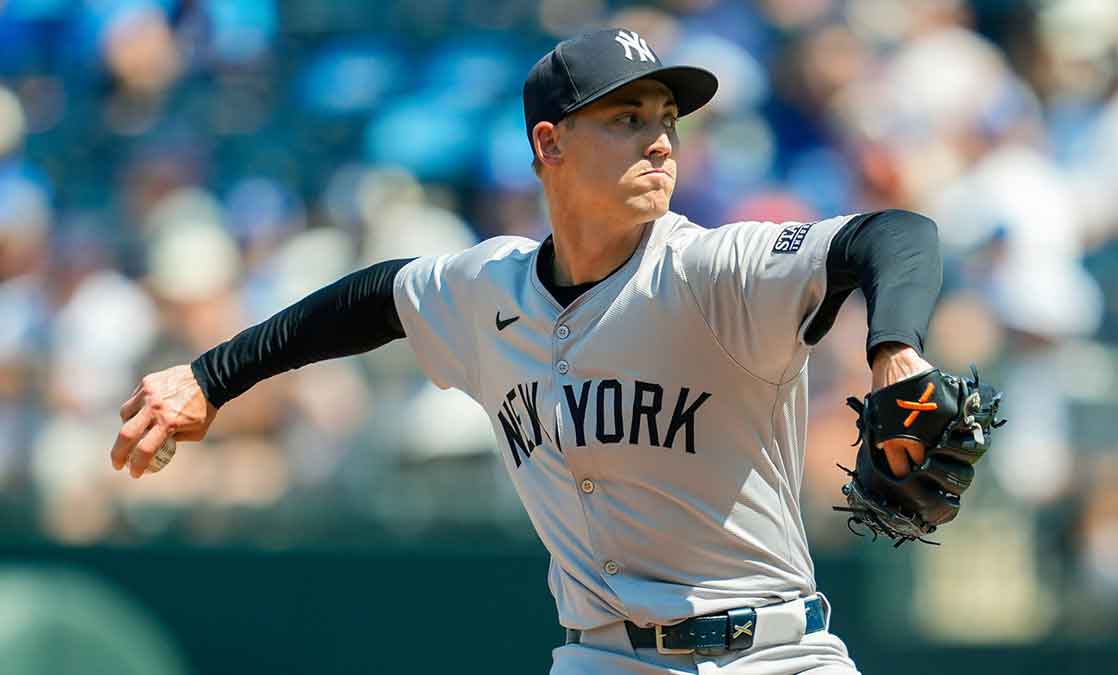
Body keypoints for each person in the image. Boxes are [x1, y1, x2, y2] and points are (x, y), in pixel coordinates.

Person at [111, 29, 946, 674]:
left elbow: (895, 236)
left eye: (666, 121)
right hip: (599, 654)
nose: (661, 142)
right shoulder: (490, 289)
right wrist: (211, 378)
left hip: (769, 651)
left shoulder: (711, 269)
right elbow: (368, 299)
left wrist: (894, 351)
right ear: (549, 145)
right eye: (627, 119)